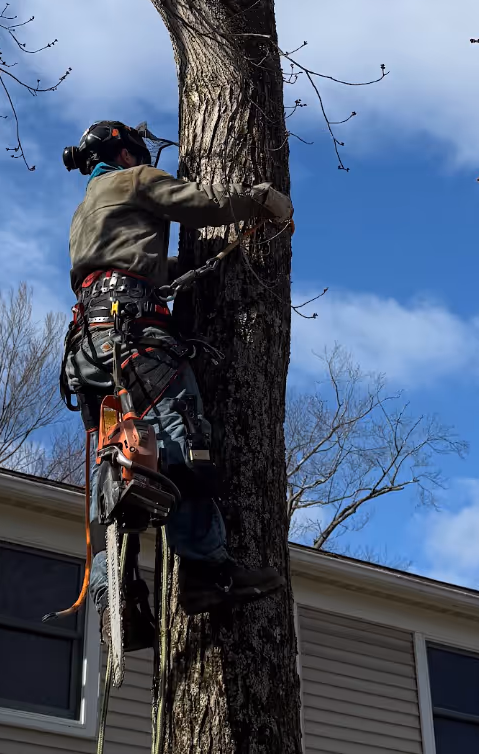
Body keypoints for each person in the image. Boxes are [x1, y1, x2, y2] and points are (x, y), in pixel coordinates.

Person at [61, 121, 293, 650]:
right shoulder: (134, 178)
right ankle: (207, 572)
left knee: (118, 453)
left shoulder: (88, 208)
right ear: (125, 152)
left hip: (92, 346)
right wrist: (256, 201)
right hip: (135, 336)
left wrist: (194, 265)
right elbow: (200, 203)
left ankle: (111, 581)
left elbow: (129, 266)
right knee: (187, 442)